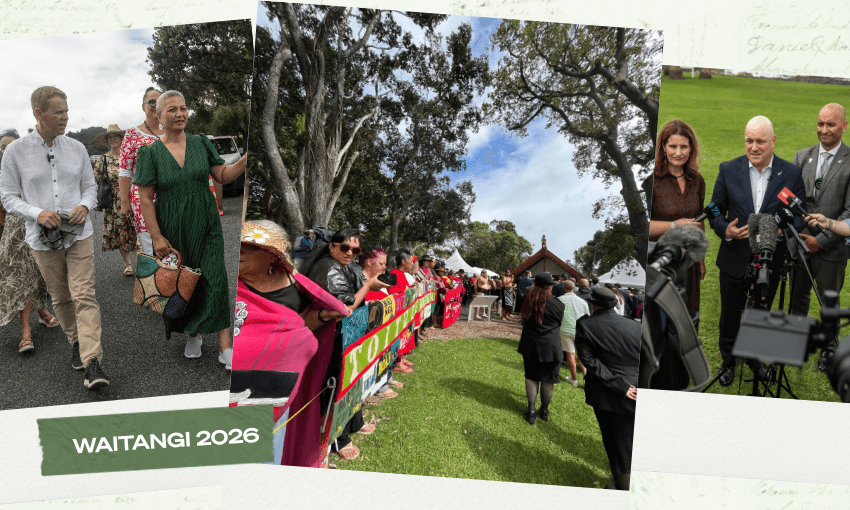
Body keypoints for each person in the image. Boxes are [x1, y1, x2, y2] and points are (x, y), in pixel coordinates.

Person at [0, 86, 107, 389]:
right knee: (60, 297)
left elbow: (90, 186)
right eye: (59, 111)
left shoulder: (76, 148)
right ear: (39, 113)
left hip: (79, 233)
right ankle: (76, 341)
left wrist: (85, 205)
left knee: (84, 294)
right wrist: (36, 212)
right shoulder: (16, 152)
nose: (66, 117)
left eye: (66, 110)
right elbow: (7, 196)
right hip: (41, 238)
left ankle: (92, 362)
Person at [134, 90, 247, 368]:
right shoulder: (149, 152)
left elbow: (221, 174)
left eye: (183, 108)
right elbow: (145, 199)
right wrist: (157, 236)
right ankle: (193, 333)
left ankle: (225, 346)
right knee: (184, 280)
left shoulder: (201, 143)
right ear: (159, 116)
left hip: (206, 219)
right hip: (171, 225)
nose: (180, 114)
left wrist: (245, 160)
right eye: (172, 110)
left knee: (215, 276)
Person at [235, 220, 347, 467]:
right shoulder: (230, 284)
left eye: (250, 247)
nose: (240, 252)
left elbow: (297, 329)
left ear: (273, 254)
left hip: (278, 390)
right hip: (235, 388)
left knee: (268, 458)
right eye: (238, 246)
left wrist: (322, 317)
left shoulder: (294, 284)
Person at [707, 116, 806, 387]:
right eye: (749, 140)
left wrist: (779, 230)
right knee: (729, 313)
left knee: (761, 312)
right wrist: (724, 228)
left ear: (773, 141)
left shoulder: (792, 174)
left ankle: (753, 359)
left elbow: (799, 218)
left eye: (760, 141)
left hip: (771, 258)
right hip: (734, 256)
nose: (753, 147)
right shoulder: (728, 169)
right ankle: (728, 361)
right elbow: (714, 208)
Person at [301, 228, 388, 460]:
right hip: (329, 337)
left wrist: (368, 284)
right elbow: (344, 309)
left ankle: (346, 429)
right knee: (332, 390)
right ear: (332, 246)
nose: (350, 252)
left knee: (347, 383)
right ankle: (325, 446)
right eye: (345, 247)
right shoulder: (327, 267)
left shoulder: (345, 267)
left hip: (343, 337)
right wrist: (368, 286)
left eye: (355, 249)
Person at [788, 103, 850, 372]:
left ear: (844, 126)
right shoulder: (802, 156)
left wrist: (821, 240)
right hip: (799, 243)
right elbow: (790, 199)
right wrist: (801, 236)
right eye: (820, 123)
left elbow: (849, 212)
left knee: (829, 302)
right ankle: (795, 343)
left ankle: (829, 349)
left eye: (831, 124)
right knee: (797, 296)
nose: (824, 130)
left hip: (831, 248)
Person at [0, 127, 59, 353]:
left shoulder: (32, 169)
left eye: (10, 145)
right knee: (20, 277)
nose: (6, 150)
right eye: (2, 147)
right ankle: (26, 332)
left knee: (39, 274)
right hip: (14, 233)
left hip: (36, 227)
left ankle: (42, 311)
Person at [574, 286, 640, 491]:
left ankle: (623, 490)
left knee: (617, 446)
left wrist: (620, 385)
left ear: (593, 304)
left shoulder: (585, 324)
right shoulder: (635, 326)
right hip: (637, 389)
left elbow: (588, 361)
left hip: (610, 395)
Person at [649, 119, 707, 315]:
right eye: (673, 146)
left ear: (691, 148)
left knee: (688, 318)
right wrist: (674, 225)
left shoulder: (697, 180)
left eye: (684, 146)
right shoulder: (651, 180)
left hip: (688, 263)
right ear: (663, 147)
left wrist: (700, 259)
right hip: (659, 262)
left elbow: (700, 219)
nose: (678, 152)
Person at [119, 87, 164, 256]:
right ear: (143, 106)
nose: (155, 105)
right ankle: (151, 281)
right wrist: (125, 202)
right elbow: (124, 171)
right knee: (150, 246)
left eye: (159, 101)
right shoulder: (132, 134)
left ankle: (176, 281)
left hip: (171, 195)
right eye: (151, 101)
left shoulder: (172, 131)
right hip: (142, 199)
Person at [517, 272, 565, 425]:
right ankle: (544, 410)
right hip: (551, 345)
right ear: (550, 287)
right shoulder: (558, 304)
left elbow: (523, 319)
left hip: (530, 343)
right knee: (548, 379)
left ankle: (531, 410)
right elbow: (559, 323)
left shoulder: (526, 300)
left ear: (535, 285)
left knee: (531, 376)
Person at [93, 124, 137, 276]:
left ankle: (141, 264)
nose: (113, 140)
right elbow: (94, 180)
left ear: (121, 139)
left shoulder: (129, 155)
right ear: (107, 141)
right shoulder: (103, 159)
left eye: (115, 137)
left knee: (136, 232)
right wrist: (94, 201)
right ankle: (128, 264)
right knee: (120, 234)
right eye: (110, 138)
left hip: (132, 199)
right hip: (114, 203)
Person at [557, 280, 588, 386]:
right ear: (574, 288)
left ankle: (574, 379)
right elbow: (587, 317)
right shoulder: (582, 302)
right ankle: (586, 378)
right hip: (580, 330)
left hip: (565, 329)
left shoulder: (559, 300)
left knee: (570, 354)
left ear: (564, 288)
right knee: (581, 355)